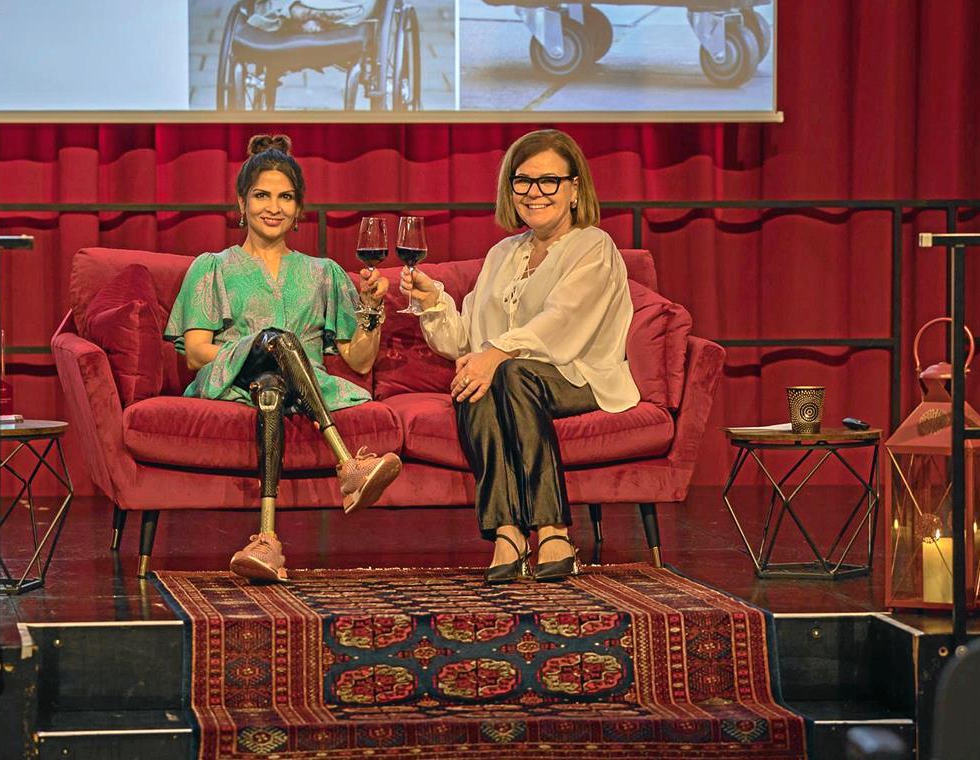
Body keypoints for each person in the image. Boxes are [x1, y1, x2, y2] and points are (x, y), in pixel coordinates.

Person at [401, 129, 638, 583]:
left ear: (574, 189)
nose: (534, 193)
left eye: (548, 181)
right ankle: (508, 530)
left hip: (580, 374)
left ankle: (552, 528)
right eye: (522, 181)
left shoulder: (593, 246)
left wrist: (495, 353)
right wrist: (434, 301)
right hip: (514, 376)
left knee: (504, 371)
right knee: (479, 377)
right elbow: (466, 339)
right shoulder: (503, 254)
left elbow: (563, 323)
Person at [165, 134, 401, 583]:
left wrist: (371, 311)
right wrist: (261, 345)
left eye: (285, 197)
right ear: (241, 203)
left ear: (298, 210)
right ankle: (347, 464)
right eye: (262, 196)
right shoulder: (211, 267)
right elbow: (197, 353)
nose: (273, 207)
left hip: (300, 390)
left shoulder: (324, 273)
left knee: (273, 388)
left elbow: (362, 360)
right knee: (274, 345)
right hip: (234, 382)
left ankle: (267, 541)